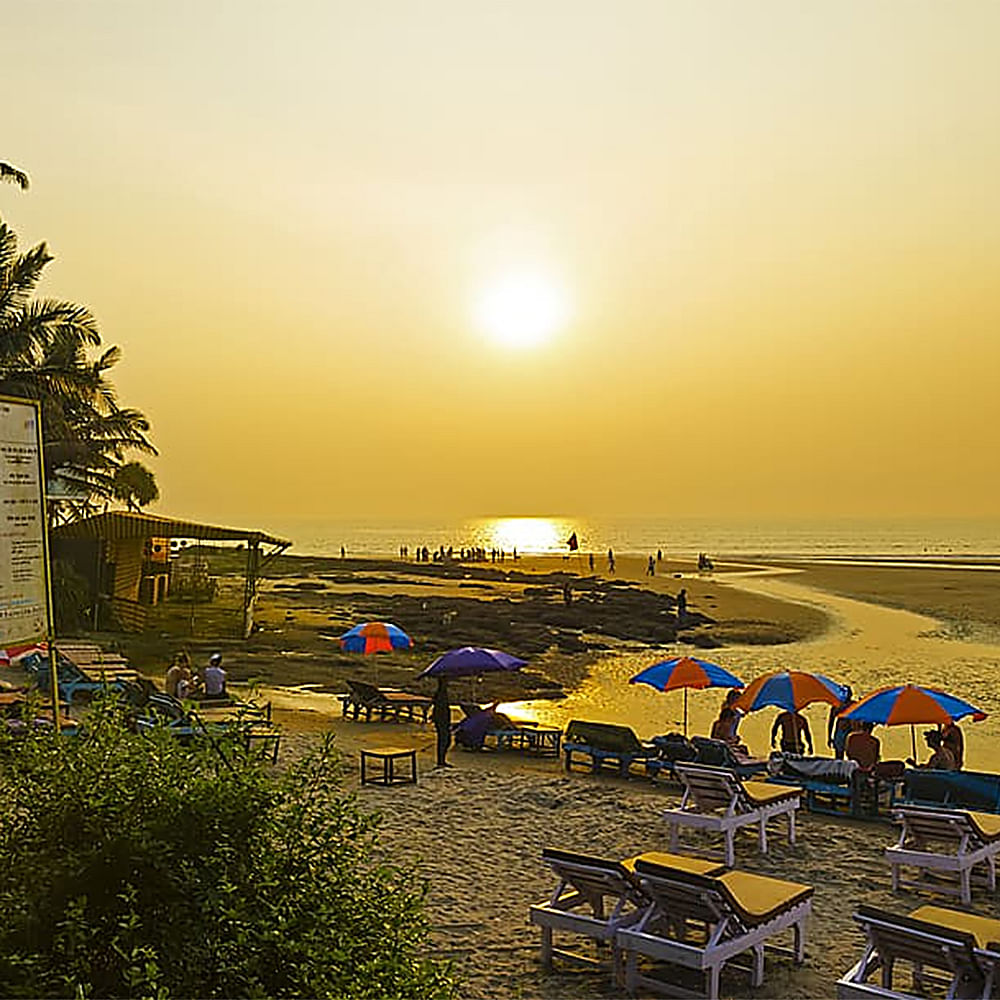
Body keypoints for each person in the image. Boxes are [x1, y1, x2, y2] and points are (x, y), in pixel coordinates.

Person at [827, 686, 854, 760]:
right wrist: (829, 736)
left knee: (850, 756)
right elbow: (831, 722)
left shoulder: (854, 705)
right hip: (841, 732)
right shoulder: (836, 706)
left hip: (849, 731)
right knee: (839, 756)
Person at [432, 677, 453, 768]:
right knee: (444, 741)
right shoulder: (441, 695)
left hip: (442, 720)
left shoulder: (441, 693)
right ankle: (441, 761)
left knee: (445, 740)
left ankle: (441, 760)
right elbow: (440, 709)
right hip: (442, 720)